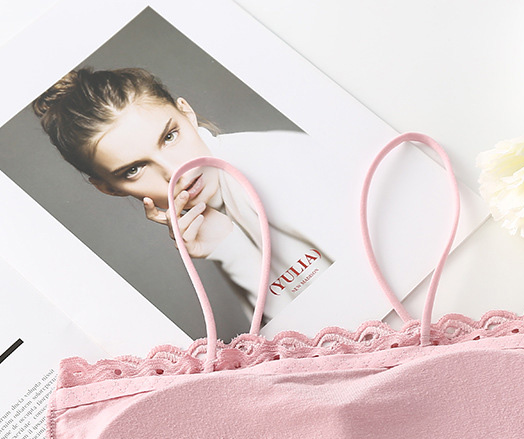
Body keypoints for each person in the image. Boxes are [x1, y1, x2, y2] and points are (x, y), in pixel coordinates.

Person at [32, 67, 332, 323]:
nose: (176, 171)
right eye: (134, 169)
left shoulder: (278, 164)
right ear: (108, 188)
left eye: (169, 136)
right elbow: (297, 340)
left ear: (187, 113)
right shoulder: (213, 210)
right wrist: (228, 248)